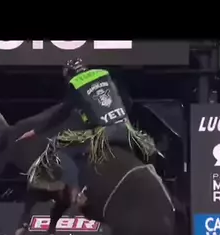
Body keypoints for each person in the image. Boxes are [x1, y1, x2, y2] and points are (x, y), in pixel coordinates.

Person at [22, 58, 157, 206]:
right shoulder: (104, 74)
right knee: (149, 147)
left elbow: (61, 113)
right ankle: (157, 177)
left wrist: (36, 131)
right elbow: (128, 101)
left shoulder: (76, 84)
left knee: (58, 143)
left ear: (69, 75)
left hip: (104, 134)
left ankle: (77, 189)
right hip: (128, 131)